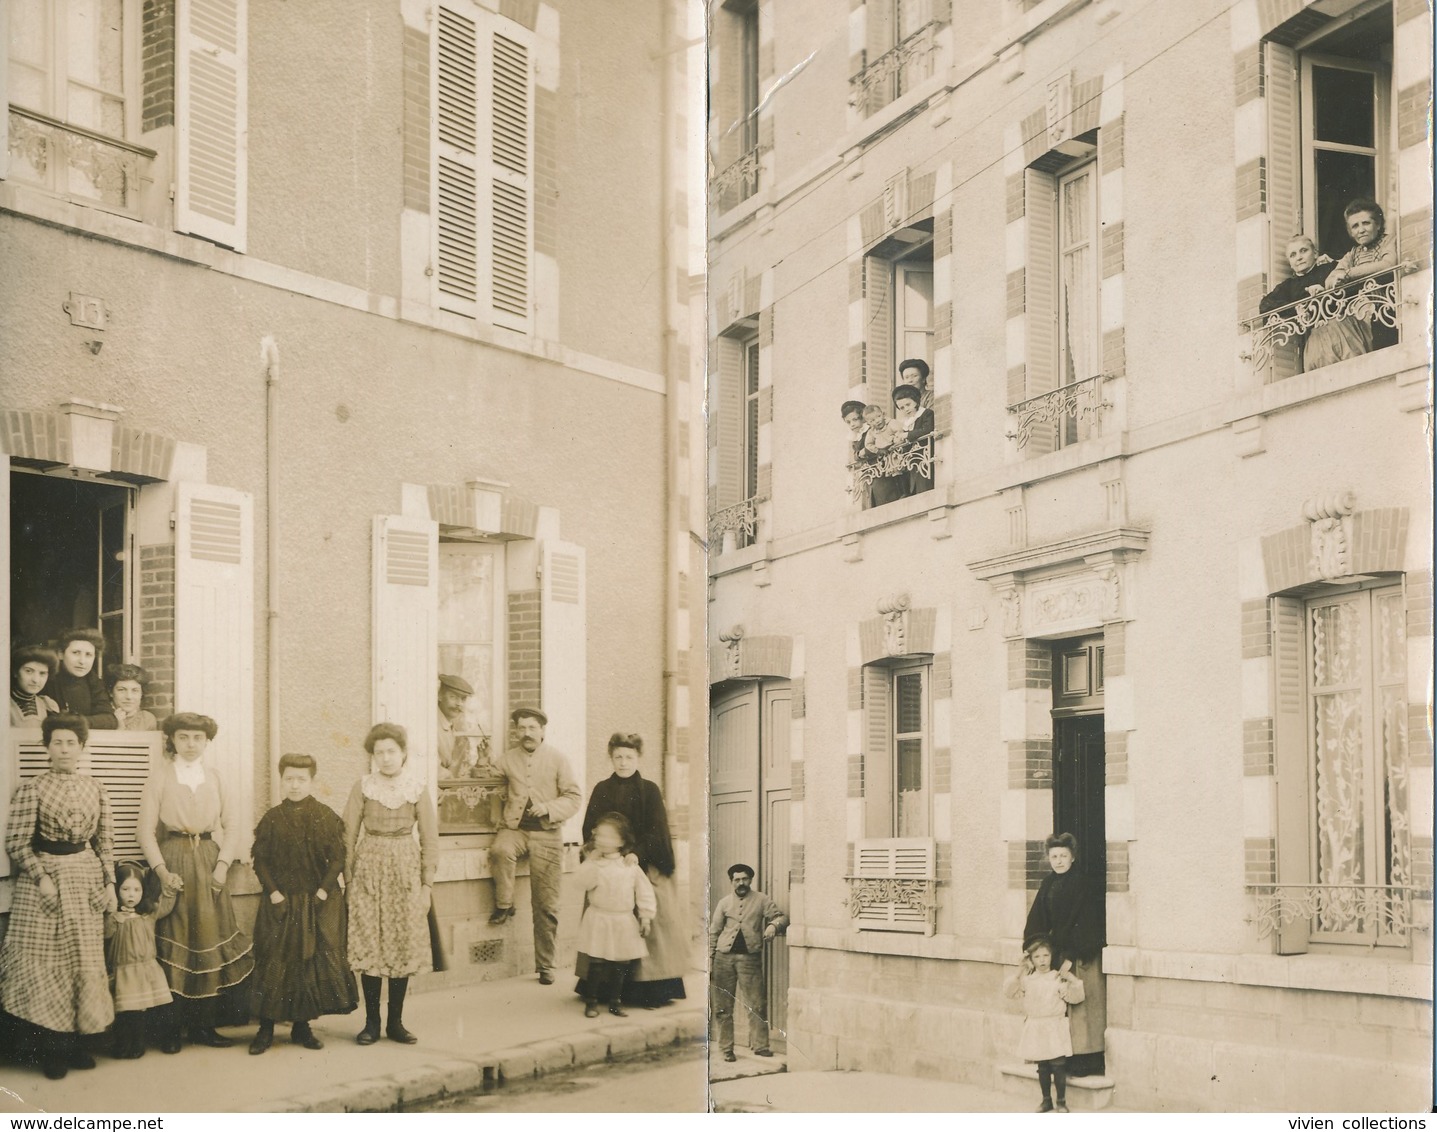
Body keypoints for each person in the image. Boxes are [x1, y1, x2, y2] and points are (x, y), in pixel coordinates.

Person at [0, 713, 116, 1079]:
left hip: (85, 878)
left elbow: (105, 841)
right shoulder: (32, 788)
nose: (64, 749)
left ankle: (77, 1045)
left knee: (82, 957)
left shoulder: (96, 787)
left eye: (71, 742)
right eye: (57, 742)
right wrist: (41, 877)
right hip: (45, 884)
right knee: (48, 963)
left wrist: (110, 883)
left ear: (82, 747)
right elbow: (16, 842)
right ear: (47, 747)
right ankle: (50, 1049)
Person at [138, 711, 254, 1051]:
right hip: (172, 860)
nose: (191, 744)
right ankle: (170, 1030)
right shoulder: (159, 777)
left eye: (198, 738)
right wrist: (161, 871)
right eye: (184, 737)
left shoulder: (215, 777)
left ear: (206, 742)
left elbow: (233, 825)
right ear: (172, 739)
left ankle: (204, 1026)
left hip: (208, 861)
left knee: (207, 936)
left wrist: (221, 866)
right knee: (173, 936)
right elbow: (144, 831)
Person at [249, 753, 358, 1054]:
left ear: (311, 781)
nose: (294, 785)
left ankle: (302, 1027)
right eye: (289, 779)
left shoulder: (324, 816)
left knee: (307, 965)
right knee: (274, 961)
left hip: (313, 902)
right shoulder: (272, 818)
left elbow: (337, 858)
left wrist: (323, 892)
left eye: (301, 779)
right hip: (280, 902)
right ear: (281, 781)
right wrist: (273, 893)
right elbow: (261, 861)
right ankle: (265, 1028)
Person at [575, 733, 688, 1008]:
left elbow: (657, 829)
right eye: (618, 757)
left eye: (628, 757)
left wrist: (637, 854)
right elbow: (591, 826)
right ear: (610, 758)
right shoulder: (602, 788)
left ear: (638, 758)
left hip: (642, 862)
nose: (623, 762)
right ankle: (602, 990)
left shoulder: (649, 789)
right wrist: (602, 853)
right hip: (609, 864)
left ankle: (651, 990)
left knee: (649, 921)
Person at [344, 723, 438, 1045]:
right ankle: (371, 1023)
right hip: (368, 869)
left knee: (401, 943)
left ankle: (395, 1023)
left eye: (391, 751)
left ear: (403, 754)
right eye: (379, 752)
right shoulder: (363, 787)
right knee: (371, 943)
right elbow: (347, 835)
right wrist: (348, 879)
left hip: (405, 870)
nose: (385, 758)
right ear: (373, 756)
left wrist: (427, 885)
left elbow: (429, 837)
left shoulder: (416, 788)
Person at [489, 706, 582, 984]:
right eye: (522, 728)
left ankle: (546, 966)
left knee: (546, 904)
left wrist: (549, 808)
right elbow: (490, 780)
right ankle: (505, 904)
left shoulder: (558, 759)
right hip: (515, 830)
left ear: (542, 731)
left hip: (547, 834)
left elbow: (574, 797)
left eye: (532, 728)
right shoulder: (507, 759)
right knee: (500, 850)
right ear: (516, 731)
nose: (527, 733)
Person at [1023, 832, 1105, 1076]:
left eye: (1063, 856)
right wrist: (1036, 950)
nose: (1058, 861)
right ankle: (1059, 1059)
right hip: (1056, 953)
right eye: (1054, 856)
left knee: (1081, 1008)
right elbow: (1037, 918)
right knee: (1056, 1008)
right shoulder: (1048, 883)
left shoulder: (1083, 882)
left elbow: (1088, 921)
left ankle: (1085, 1060)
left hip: (1081, 954)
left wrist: (1071, 955)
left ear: (1073, 858)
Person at [574, 813, 655, 1018]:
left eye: (608, 836)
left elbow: (644, 891)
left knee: (620, 963)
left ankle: (615, 1001)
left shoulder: (629, 866)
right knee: (597, 961)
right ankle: (591, 1001)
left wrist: (645, 917)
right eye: (599, 835)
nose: (601, 840)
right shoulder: (595, 864)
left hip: (623, 919)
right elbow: (581, 884)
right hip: (599, 918)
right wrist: (590, 862)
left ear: (621, 841)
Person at [709, 862, 787, 1063]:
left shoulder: (762, 900)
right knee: (722, 1007)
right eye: (737, 880)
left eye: (744, 879)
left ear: (750, 880)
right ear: (731, 882)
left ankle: (761, 1046)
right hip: (722, 960)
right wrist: (709, 961)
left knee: (756, 1004)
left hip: (749, 960)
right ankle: (726, 1049)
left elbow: (781, 917)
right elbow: (714, 932)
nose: (741, 883)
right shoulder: (724, 903)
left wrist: (772, 926)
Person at [105, 861, 180, 1059]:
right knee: (128, 1010)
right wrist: (112, 917)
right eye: (126, 889)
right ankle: (125, 1042)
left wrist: (171, 888)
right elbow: (104, 934)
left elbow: (165, 906)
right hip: (125, 970)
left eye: (136, 890)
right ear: (116, 890)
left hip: (147, 968)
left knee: (156, 1005)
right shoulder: (113, 917)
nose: (131, 895)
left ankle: (155, 1040)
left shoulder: (147, 914)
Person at [1259, 234, 1368, 370]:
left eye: (1304, 251)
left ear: (1315, 253)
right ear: (1290, 263)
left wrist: (1325, 290)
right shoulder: (1289, 286)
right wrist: (1297, 308)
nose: (1299, 257)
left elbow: (1353, 281)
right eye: (1293, 255)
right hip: (1315, 338)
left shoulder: (1330, 268)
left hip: (1342, 329)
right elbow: (1265, 305)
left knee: (1356, 369)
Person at [1005, 936, 1086, 1113]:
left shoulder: (1057, 978)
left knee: (1058, 1064)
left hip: (1054, 1026)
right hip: (1036, 1026)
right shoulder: (1027, 981)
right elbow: (1009, 992)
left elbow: (1076, 997)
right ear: (1031, 960)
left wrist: (1071, 979)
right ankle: (1046, 1100)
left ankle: (1062, 1102)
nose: (1042, 960)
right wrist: (1019, 971)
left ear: (1051, 956)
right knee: (1042, 1066)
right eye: (1037, 957)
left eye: (1045, 955)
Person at [1326, 198, 1399, 352]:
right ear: (1350, 231)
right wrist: (1337, 277)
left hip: (1387, 312)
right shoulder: (1353, 254)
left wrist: (1349, 274)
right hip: (1360, 317)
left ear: (1378, 224)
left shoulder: (1389, 241)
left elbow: (1388, 264)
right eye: (1355, 226)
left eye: (1366, 223)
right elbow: (1330, 280)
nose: (1361, 230)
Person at [44, 629, 118, 730]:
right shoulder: (46, 679)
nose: (82, 661)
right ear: (60, 654)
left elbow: (109, 720)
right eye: (76, 653)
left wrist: (73, 722)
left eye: (88, 655)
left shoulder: (93, 681)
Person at [859, 404, 910, 507]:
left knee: (900, 470)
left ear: (883, 414)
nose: (877, 421)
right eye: (872, 420)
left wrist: (895, 441)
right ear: (868, 423)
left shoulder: (891, 423)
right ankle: (900, 493)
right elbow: (868, 445)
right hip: (886, 454)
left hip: (896, 450)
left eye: (878, 416)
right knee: (892, 473)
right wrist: (878, 450)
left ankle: (906, 491)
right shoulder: (872, 432)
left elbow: (900, 431)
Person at [893, 383, 934, 495]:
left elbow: (927, 429)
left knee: (924, 489)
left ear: (916, 401)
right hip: (913, 462)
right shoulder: (907, 422)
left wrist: (907, 435)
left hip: (925, 459)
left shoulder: (926, 413)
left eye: (908, 404)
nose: (906, 409)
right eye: (902, 407)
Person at [437, 673, 477, 777]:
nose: (459, 704)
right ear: (440, 696)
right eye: (453, 697)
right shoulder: (432, 725)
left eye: (463, 699)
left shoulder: (454, 727)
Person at [9, 645, 59, 726]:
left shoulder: (48, 705)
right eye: (28, 671)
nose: (35, 680)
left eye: (42, 673)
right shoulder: (5, 704)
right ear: (15, 672)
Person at [107, 664, 159, 732]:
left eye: (135, 690)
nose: (129, 696)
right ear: (111, 692)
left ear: (141, 693)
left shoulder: (146, 719)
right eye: (121, 690)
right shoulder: (104, 717)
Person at [842, 400, 872, 510]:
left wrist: (858, 456)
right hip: (864, 472)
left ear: (863, 418)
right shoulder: (855, 436)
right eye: (848, 422)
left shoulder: (869, 431)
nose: (852, 424)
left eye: (855, 419)